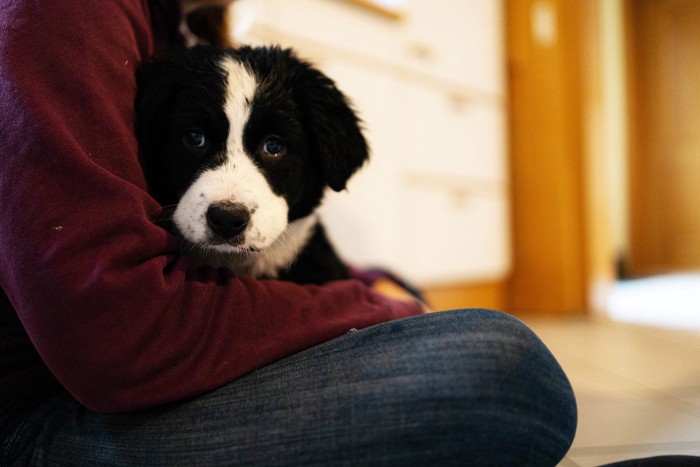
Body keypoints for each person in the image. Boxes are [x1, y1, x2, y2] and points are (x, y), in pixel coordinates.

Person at [0, 1, 577, 464]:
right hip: (46, 418)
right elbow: (112, 334)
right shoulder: (61, 15)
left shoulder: (170, 24)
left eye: (272, 147)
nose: (231, 191)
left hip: (133, 381)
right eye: (197, 141)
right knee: (505, 370)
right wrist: (368, 308)